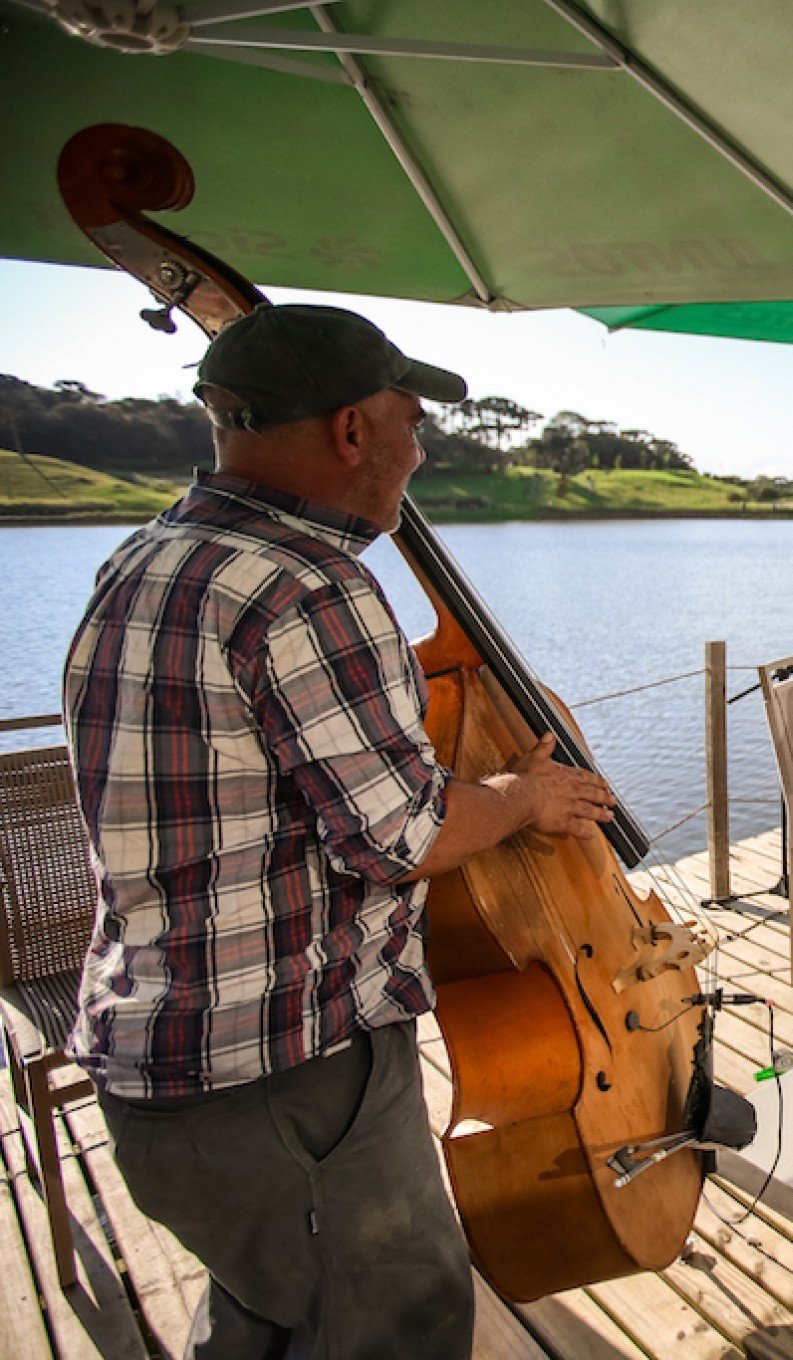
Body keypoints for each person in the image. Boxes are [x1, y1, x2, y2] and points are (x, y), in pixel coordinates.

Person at [62, 305, 622, 1360]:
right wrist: (520, 798)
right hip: (290, 1077)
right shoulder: (308, 587)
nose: (423, 447)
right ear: (353, 430)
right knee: (391, 1331)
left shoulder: (140, 560)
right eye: (414, 420)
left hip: (162, 1063)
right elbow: (402, 836)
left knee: (266, 1320)